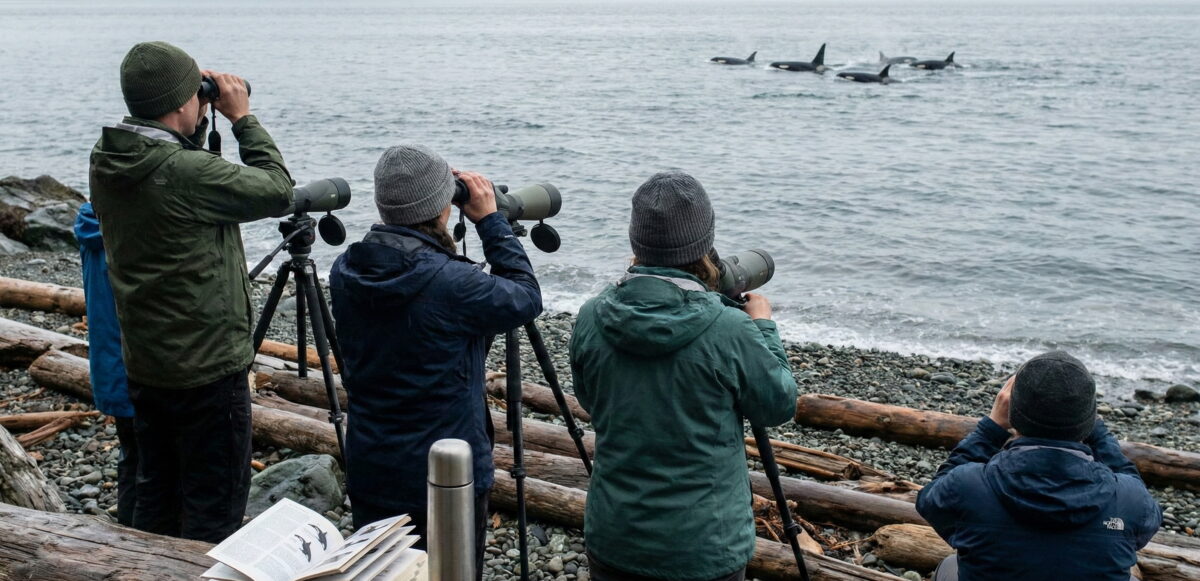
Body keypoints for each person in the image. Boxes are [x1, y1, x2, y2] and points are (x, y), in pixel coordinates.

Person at [89, 41, 294, 542]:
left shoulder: (108, 158)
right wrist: (242, 118)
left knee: (155, 494)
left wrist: (194, 120)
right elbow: (276, 189)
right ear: (183, 102)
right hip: (207, 369)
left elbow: (177, 171)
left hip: (147, 361)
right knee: (213, 506)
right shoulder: (185, 173)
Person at [568, 171, 798, 581]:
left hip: (616, 534)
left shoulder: (591, 316)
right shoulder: (730, 329)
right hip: (704, 546)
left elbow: (590, 399)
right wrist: (762, 326)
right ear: (704, 243)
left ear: (636, 241)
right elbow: (778, 405)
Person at [329, 144, 542, 568]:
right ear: (444, 207)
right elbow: (525, 296)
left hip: (372, 462)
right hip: (446, 474)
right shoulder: (454, 284)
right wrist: (492, 223)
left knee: (384, 572)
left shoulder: (345, 269)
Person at [916, 351, 1162, 581]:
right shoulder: (1128, 499)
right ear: (1087, 420)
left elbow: (929, 500)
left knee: (950, 565)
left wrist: (990, 429)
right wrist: (1097, 432)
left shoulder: (967, 485)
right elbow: (1143, 511)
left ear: (1011, 412)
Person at [74, 202, 138, 526]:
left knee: (132, 459)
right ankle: (145, 539)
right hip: (141, 368)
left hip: (109, 370)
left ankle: (130, 532)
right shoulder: (131, 230)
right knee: (153, 464)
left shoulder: (88, 219)